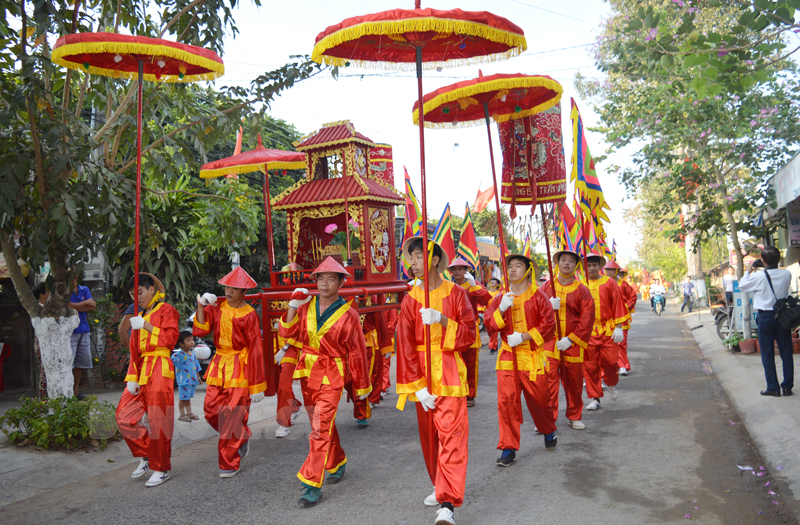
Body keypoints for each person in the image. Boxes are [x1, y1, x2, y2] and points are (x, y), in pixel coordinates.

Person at [279, 257, 371, 507]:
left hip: (333, 374)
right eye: (320, 278)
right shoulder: (306, 306)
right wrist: (292, 307)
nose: (324, 283)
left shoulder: (349, 314)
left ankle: (311, 484)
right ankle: (338, 460)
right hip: (308, 371)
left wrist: (361, 387)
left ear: (341, 282)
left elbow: (357, 352)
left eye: (331, 278)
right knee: (320, 423)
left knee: (319, 427)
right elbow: (287, 334)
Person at [395, 237, 475, 525]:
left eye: (418, 257)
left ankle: (448, 504)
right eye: (411, 258)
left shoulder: (456, 294)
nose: (413, 263)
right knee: (430, 441)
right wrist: (417, 386)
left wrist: (442, 319)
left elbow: (469, 336)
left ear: (435, 260)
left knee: (452, 439)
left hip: (450, 375)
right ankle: (438, 483)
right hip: (422, 380)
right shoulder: (409, 300)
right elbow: (403, 347)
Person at [484, 253, 557, 468]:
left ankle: (548, 429)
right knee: (507, 403)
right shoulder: (499, 298)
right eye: (510, 266)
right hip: (507, 356)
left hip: (532, 354)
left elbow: (549, 325)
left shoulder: (539, 296)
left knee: (540, 400)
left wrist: (524, 336)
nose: (513, 270)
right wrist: (501, 309)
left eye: (518, 266)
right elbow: (489, 324)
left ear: (527, 271)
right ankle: (508, 447)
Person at [194, 267, 267, 478]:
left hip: (240, 365)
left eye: (234, 288)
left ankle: (229, 462)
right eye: (227, 287)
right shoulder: (217, 308)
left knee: (233, 415)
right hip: (219, 363)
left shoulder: (249, 315)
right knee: (211, 409)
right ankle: (241, 435)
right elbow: (201, 329)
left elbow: (255, 350)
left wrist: (257, 385)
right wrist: (201, 305)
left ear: (243, 292)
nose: (228, 291)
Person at [116, 273, 179, 488]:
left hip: (160, 366)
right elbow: (134, 350)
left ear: (152, 290)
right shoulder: (138, 317)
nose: (137, 298)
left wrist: (146, 326)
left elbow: (170, 339)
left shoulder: (166, 310)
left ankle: (161, 468)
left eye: (140, 293)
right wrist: (132, 377)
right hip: (140, 368)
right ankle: (147, 455)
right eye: (134, 295)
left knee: (159, 419)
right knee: (124, 416)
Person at [540, 248, 594, 430]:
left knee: (574, 382)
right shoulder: (546, 287)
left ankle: (574, 414)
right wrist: (547, 304)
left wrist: (571, 339)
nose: (566, 263)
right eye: (563, 259)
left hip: (573, 344)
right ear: (557, 263)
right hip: (550, 342)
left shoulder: (582, 290)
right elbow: (535, 311)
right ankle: (547, 419)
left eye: (571, 261)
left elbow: (587, 318)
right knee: (548, 382)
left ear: (576, 266)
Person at [738, 247, 794, 396]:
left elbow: (742, 286)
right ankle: (788, 387)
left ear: (762, 261)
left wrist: (748, 270)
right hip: (783, 317)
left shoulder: (758, 276)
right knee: (786, 352)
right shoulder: (787, 274)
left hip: (765, 318)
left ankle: (773, 388)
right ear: (779, 259)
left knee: (767, 353)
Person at [584, 252, 628, 411]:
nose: (591, 268)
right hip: (588, 332)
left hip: (608, 330)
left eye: (594, 265)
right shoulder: (581, 284)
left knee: (610, 362)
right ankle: (595, 398)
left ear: (600, 266)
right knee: (590, 366)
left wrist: (618, 327)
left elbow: (617, 303)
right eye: (588, 265)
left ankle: (610, 383)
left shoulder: (609, 283)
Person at [447, 257, 492, 407]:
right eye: (455, 269)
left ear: (466, 270)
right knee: (453, 363)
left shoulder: (473, 285)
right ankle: (456, 393)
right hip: (453, 329)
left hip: (470, 330)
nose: (458, 271)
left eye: (461, 268)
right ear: (451, 272)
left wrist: (473, 286)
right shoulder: (448, 286)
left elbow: (486, 300)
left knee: (470, 364)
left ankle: (470, 395)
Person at [69, 276, 96, 399]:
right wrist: (85, 303)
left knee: (80, 364)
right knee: (69, 362)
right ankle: (68, 391)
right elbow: (67, 306)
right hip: (70, 331)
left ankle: (76, 391)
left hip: (84, 329)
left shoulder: (84, 289)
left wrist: (75, 306)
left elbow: (93, 305)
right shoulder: (64, 291)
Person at [172, 331, 202, 422]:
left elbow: (196, 367)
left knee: (188, 397)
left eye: (192, 339)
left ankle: (189, 413)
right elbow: (170, 362)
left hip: (192, 380)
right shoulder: (178, 355)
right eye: (188, 340)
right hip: (183, 381)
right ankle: (182, 414)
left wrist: (198, 377)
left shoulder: (193, 354)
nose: (192, 342)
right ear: (181, 344)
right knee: (182, 398)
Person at [614, 268, 637, 376]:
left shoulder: (623, 284)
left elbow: (633, 296)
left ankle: (623, 365)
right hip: (607, 320)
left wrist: (625, 307)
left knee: (621, 343)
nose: (609, 272)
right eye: (607, 270)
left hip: (622, 318)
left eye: (612, 270)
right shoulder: (603, 283)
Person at [31, 283, 49, 398]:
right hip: (42, 343)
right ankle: (43, 399)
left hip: (46, 343)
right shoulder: (39, 309)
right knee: (44, 372)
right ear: (42, 294)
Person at [485, 278, 502, 355]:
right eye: (491, 280)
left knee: (494, 332)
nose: (492, 281)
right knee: (490, 332)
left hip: (496, 314)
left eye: (494, 280)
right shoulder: (486, 293)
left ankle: (493, 347)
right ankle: (494, 343)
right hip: (487, 315)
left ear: (498, 283)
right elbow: (483, 303)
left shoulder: (500, 293)